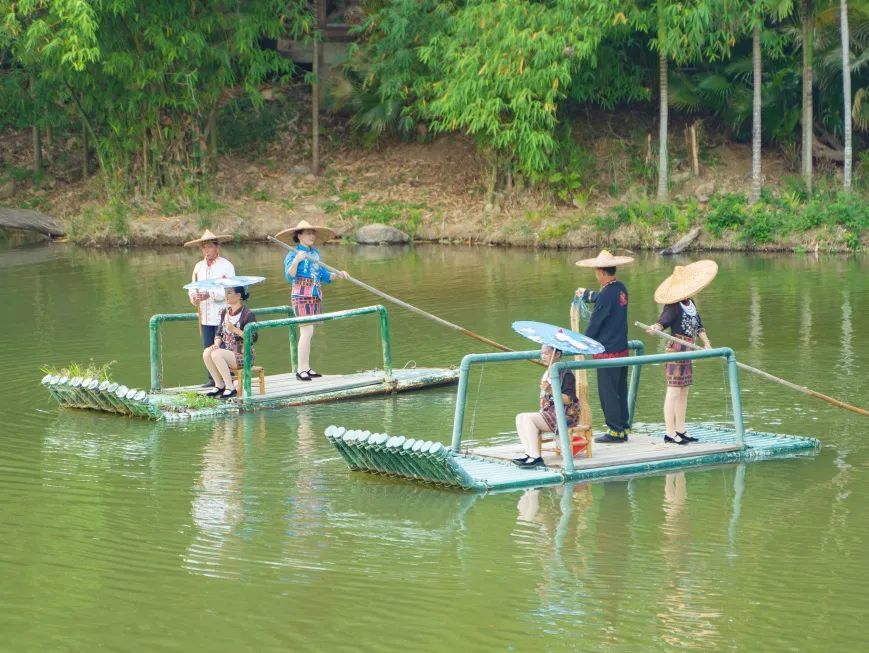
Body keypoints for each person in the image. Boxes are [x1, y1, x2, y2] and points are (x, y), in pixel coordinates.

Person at [646, 261, 717, 445]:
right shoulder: (673, 305)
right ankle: (670, 433)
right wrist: (656, 327)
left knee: (684, 391)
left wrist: (707, 344)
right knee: (673, 391)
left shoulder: (690, 303)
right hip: (676, 350)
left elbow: (698, 326)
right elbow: (663, 322)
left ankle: (681, 429)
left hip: (689, 349)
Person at [274, 220, 348, 382]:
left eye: (312, 233)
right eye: (307, 233)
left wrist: (339, 274)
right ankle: (301, 370)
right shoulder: (293, 253)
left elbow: (324, 275)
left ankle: (306, 367)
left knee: (310, 332)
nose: (311, 236)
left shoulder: (315, 254)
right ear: (299, 235)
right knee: (306, 332)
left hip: (315, 294)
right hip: (301, 295)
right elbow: (289, 275)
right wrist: (297, 260)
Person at [575, 249, 634, 443]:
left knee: (608, 392)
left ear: (600, 272)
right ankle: (623, 428)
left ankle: (615, 431)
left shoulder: (608, 293)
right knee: (620, 390)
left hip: (607, 351)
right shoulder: (620, 288)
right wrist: (588, 295)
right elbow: (604, 300)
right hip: (622, 349)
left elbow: (596, 322)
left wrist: (581, 343)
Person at [513, 346, 581, 469]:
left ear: (557, 355)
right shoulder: (549, 371)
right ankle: (529, 453)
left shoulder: (565, 373)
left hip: (566, 414)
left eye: (547, 354)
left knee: (528, 418)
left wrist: (549, 389)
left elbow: (568, 400)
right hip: (551, 411)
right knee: (520, 417)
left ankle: (536, 457)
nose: (543, 356)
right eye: (542, 353)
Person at [184, 229, 235, 387]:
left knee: (222, 346)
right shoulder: (198, 267)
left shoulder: (226, 266)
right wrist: (194, 297)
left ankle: (228, 379)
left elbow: (230, 290)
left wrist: (210, 295)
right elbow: (192, 287)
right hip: (205, 315)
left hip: (222, 314)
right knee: (207, 347)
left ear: (216, 247)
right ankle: (213, 379)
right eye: (204, 247)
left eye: (209, 247)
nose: (206, 250)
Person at [202, 285, 258, 400]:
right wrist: (216, 344)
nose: (226, 296)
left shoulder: (248, 314)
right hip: (228, 353)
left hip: (244, 355)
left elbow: (253, 338)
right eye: (225, 293)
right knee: (208, 352)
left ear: (238, 296)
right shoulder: (225, 312)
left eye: (229, 293)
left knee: (216, 354)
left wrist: (235, 330)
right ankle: (219, 384)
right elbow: (219, 333)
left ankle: (230, 387)